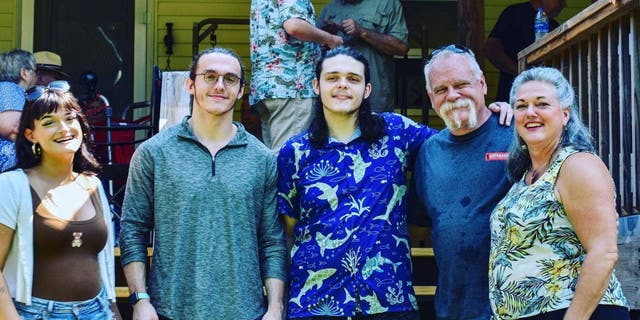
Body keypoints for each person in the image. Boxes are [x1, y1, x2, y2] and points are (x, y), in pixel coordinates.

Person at [278, 46, 510, 319]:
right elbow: (289, 228)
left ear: (367, 89)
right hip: (317, 302)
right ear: (316, 86)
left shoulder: (397, 132)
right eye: (333, 78)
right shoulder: (294, 152)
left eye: (353, 79)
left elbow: (459, 135)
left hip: (389, 301)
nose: (342, 85)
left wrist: (495, 112)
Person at [119, 47, 287, 320]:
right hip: (170, 310)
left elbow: (272, 241)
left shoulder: (262, 159)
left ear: (242, 90)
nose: (219, 86)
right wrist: (139, 299)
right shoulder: (154, 153)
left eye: (230, 79)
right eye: (209, 76)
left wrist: (275, 307)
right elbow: (133, 230)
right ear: (190, 84)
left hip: (246, 312)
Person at [488, 67, 629, 319]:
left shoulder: (577, 165)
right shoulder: (526, 177)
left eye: (542, 104)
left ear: (564, 114)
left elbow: (604, 253)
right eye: (521, 106)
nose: (530, 112)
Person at [0, 80, 120, 319]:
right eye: (49, 123)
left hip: (97, 312)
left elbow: (103, 262)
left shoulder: (93, 184)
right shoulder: (11, 185)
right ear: (31, 134)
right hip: (37, 313)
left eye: (69, 118)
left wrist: (113, 310)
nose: (64, 128)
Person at [410, 44, 514, 319]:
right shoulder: (428, 152)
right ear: (431, 98)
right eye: (441, 89)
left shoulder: (517, 133)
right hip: (455, 307)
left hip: (514, 307)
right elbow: (423, 225)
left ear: (482, 84)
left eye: (461, 84)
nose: (452, 95)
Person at [249, 0, 343, 151]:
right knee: (291, 157)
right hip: (293, 87)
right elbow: (294, 26)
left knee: (274, 157)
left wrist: (317, 37)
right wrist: (330, 39)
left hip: (267, 87)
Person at [317, 0, 409, 113]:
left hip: (374, 95)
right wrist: (326, 39)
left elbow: (401, 48)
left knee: (375, 128)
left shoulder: (387, 4)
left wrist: (362, 32)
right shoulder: (329, 9)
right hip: (337, 95)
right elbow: (314, 51)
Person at [486, 0, 566, 102]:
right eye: (562, 0)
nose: (564, 5)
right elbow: (491, 49)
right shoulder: (514, 14)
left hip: (543, 98)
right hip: (511, 98)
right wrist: (521, 73)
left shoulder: (554, 26)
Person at [0, 49, 37, 173]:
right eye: (35, 72)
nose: (36, 77)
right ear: (24, 73)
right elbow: (12, 127)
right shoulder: (10, 88)